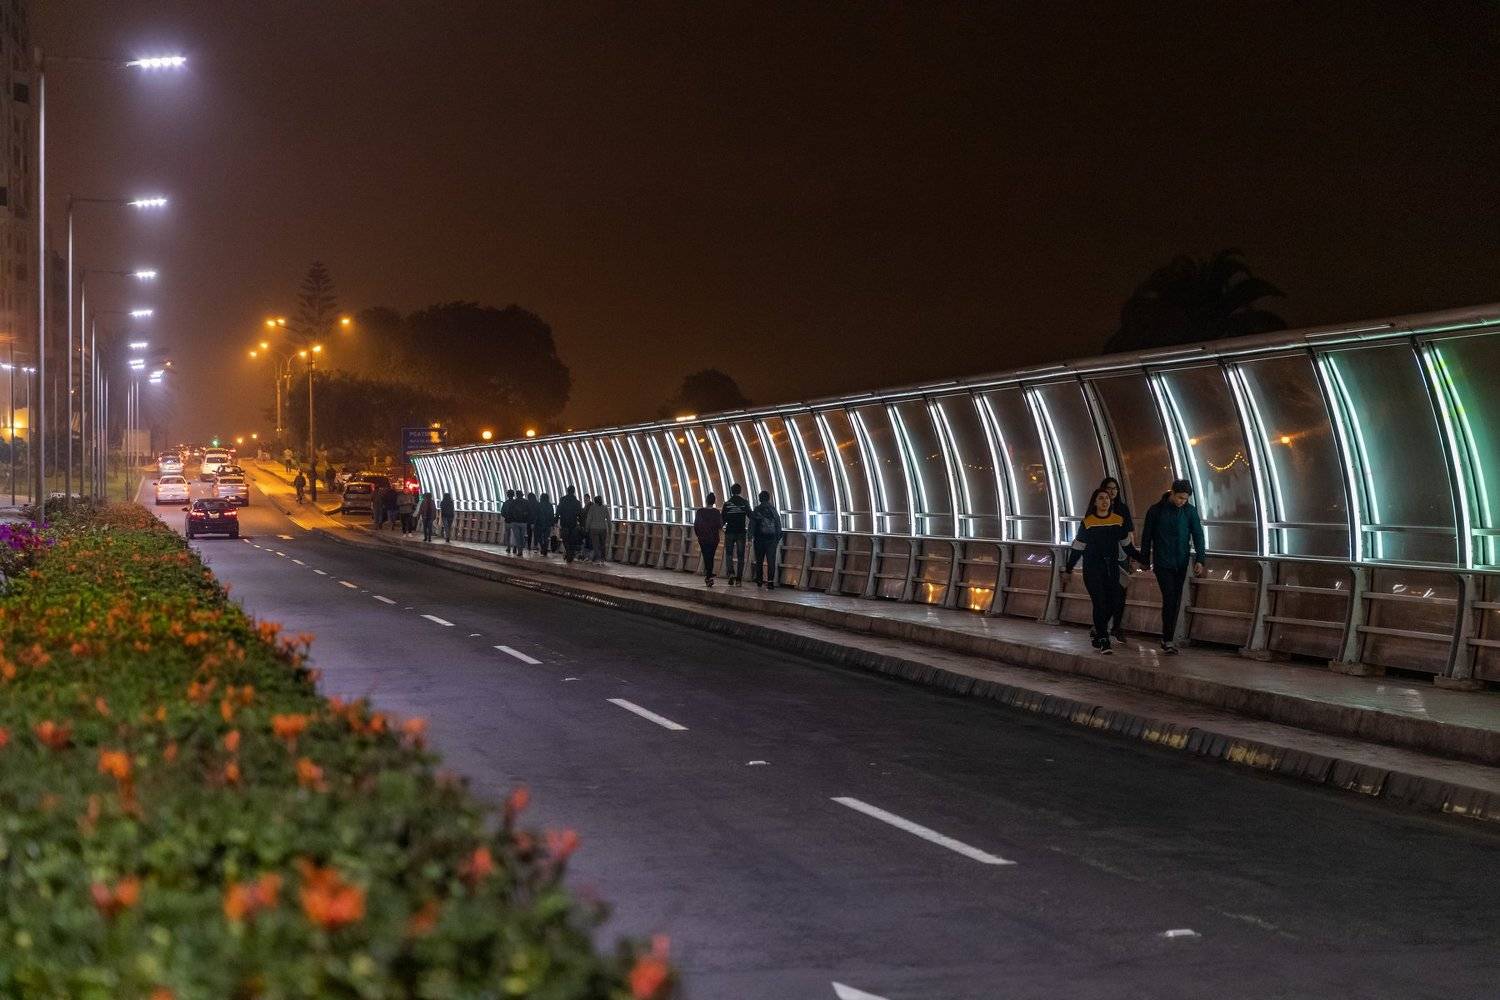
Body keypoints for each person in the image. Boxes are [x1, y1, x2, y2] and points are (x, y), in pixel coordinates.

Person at [1064, 488, 1143, 655]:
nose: (1104, 501)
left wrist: (1143, 559)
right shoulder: (1088, 523)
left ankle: (1098, 632)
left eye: (1107, 498)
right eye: (1100, 498)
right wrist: (1068, 568)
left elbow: (1127, 546)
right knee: (1099, 602)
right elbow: (1078, 548)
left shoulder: (1118, 521)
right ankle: (1103, 639)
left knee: (1113, 602)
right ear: (1095, 502)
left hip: (1111, 568)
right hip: (1092, 569)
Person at [1139, 478, 1208, 655]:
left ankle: (1167, 638)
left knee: (1175, 599)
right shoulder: (1156, 510)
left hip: (1181, 563)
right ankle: (1168, 639)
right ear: (1172, 492)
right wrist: (1144, 559)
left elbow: (1198, 535)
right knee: (1170, 597)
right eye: (1180, 497)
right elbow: (1147, 536)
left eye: (1185, 499)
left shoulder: (1190, 511)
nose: (1182, 501)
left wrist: (1200, 559)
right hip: (1162, 563)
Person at [1092, 476, 1135, 642]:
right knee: (1105, 593)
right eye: (1109, 488)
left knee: (1120, 593)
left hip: (1121, 556)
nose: (1112, 491)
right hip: (1104, 557)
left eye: (1115, 489)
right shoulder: (1097, 509)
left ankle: (1115, 626)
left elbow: (1129, 533)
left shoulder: (1122, 509)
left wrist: (1132, 556)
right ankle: (1101, 626)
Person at [749, 491, 782, 589]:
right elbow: (778, 525)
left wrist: (750, 537)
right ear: (768, 498)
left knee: (759, 560)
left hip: (759, 539)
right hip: (771, 539)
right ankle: (770, 581)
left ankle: (759, 580)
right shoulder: (773, 510)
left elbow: (752, 525)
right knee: (771, 560)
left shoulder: (757, 510)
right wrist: (777, 538)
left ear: (760, 499)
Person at [720, 483, 752, 586]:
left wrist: (721, 528)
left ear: (731, 491)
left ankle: (731, 574)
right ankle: (739, 580)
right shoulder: (744, 503)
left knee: (729, 554)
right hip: (741, 532)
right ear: (740, 491)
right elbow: (751, 515)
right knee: (740, 556)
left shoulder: (727, 504)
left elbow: (722, 519)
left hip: (729, 532)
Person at [693, 492, 724, 586]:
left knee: (706, 556)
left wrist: (699, 535)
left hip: (703, 538)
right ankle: (709, 575)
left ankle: (708, 575)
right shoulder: (716, 512)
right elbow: (720, 525)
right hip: (714, 538)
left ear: (706, 500)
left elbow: (696, 525)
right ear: (714, 502)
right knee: (711, 555)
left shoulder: (700, 512)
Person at [556, 485, 584, 562]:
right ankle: (570, 554)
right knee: (572, 541)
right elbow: (580, 514)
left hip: (564, 523)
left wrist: (555, 520)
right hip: (573, 524)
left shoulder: (562, 500)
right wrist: (582, 524)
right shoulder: (577, 502)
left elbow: (558, 510)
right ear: (574, 491)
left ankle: (568, 554)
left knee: (565, 540)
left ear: (567, 491)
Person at [584, 494, 610, 563]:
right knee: (602, 544)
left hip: (593, 529)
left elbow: (589, 519)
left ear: (595, 501)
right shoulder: (605, 508)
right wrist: (610, 529)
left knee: (595, 545)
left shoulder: (592, 508)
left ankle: (598, 559)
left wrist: (587, 528)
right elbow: (608, 519)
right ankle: (603, 559)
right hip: (603, 528)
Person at [533, 492, 555, 556]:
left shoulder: (538, 505)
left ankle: (542, 547)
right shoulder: (550, 505)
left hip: (539, 524)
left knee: (539, 537)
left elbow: (536, 515)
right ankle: (545, 549)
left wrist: (534, 523)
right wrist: (552, 524)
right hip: (547, 524)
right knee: (546, 537)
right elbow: (552, 515)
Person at [501, 489, 520, 554]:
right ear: (513, 495)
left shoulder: (505, 503)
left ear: (507, 495)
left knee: (508, 535)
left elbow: (502, 512)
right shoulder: (516, 502)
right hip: (514, 521)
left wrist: (506, 516)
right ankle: (515, 547)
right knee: (515, 535)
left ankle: (508, 547)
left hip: (507, 521)